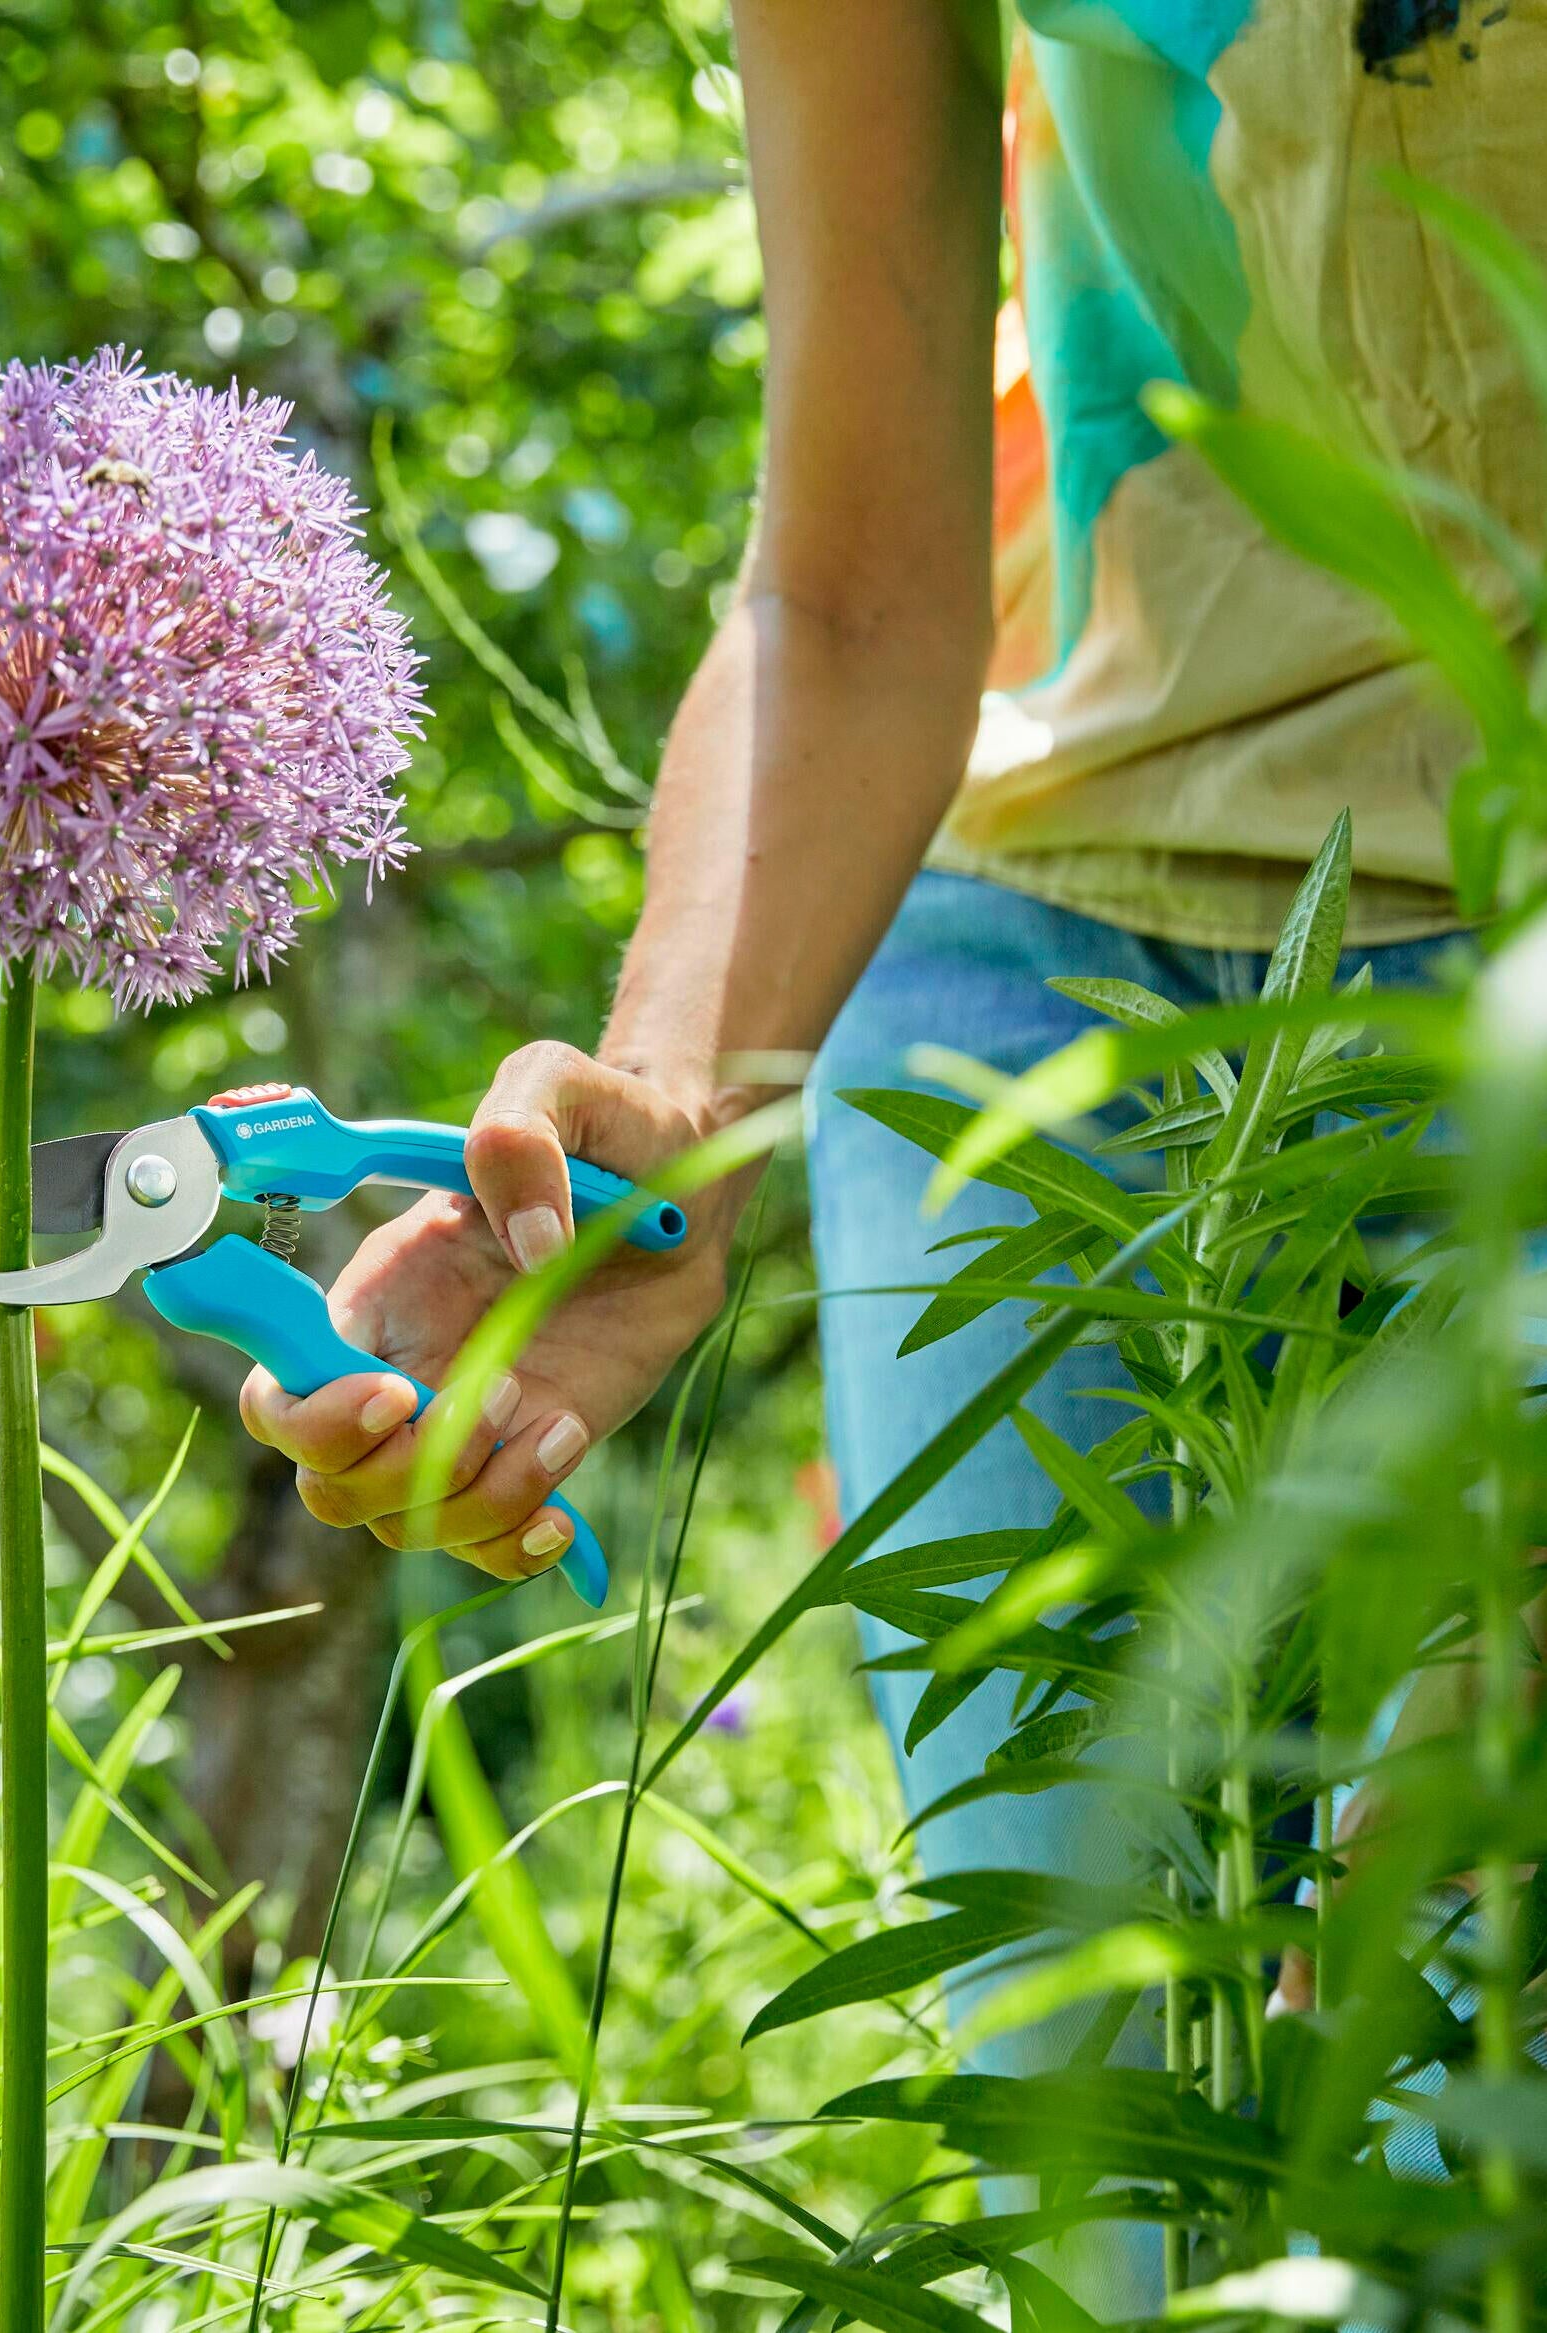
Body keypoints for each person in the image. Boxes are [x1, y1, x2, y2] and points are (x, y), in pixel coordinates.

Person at [240, 0, 1544, 2311]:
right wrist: (672, 1124)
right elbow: (848, 582)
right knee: (1103, 2188)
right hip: (1039, 949)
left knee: (1460, 2126)